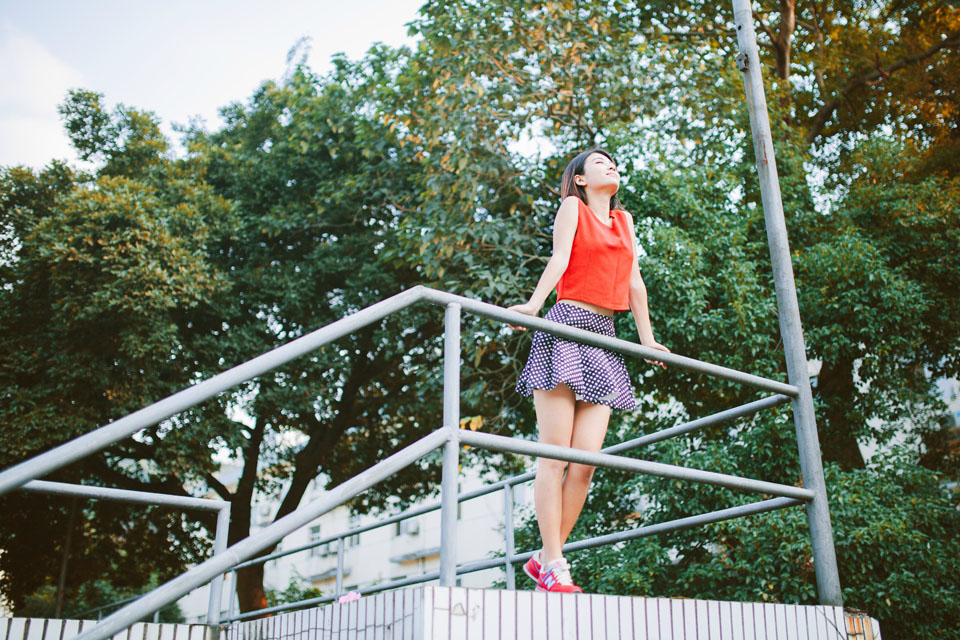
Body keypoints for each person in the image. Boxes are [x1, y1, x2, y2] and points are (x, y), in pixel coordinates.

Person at [507, 148, 669, 593]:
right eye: (599, 163)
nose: (610, 166)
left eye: (613, 163)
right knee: (556, 455)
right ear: (579, 180)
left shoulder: (625, 221)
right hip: (565, 327)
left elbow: (634, 280)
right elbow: (560, 259)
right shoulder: (571, 208)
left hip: (605, 337)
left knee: (585, 466)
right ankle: (556, 564)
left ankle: (544, 557)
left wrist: (646, 338)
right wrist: (534, 307)